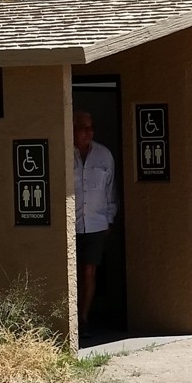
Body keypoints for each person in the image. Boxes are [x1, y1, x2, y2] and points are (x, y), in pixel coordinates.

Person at [73, 110, 116, 335]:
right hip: (71, 225)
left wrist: (109, 218)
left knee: (89, 272)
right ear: (72, 129)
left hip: (96, 223)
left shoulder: (104, 155)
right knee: (71, 272)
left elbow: (111, 190)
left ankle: (83, 318)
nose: (88, 132)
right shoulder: (64, 152)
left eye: (90, 127)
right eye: (83, 127)